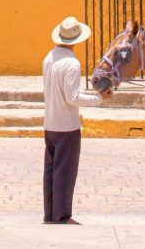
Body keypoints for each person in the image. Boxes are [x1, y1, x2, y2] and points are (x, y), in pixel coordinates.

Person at [42, 15, 112, 225]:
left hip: (51, 122)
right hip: (67, 126)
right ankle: (63, 216)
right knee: (66, 171)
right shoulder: (71, 63)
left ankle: (50, 214)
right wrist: (99, 98)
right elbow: (73, 98)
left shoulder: (49, 58)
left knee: (51, 170)